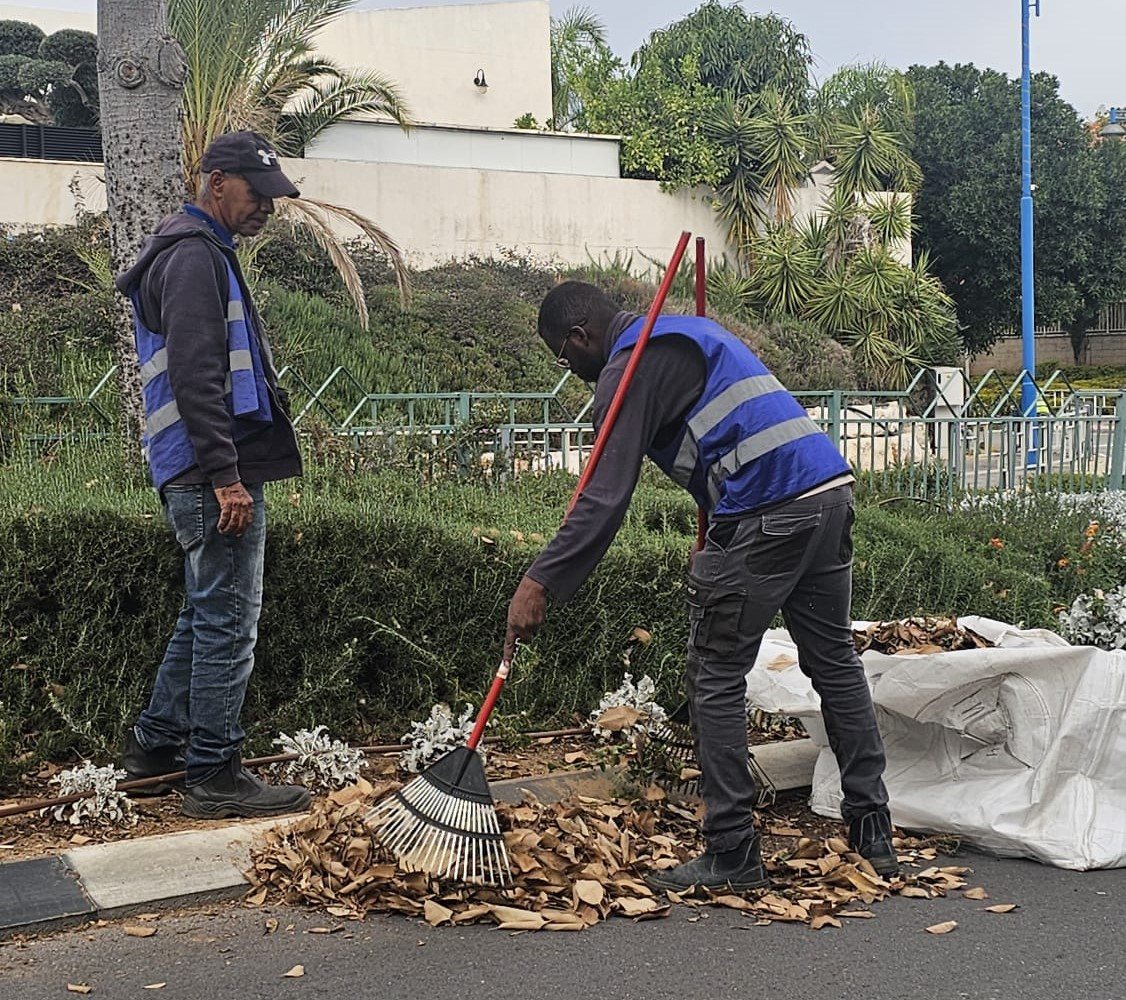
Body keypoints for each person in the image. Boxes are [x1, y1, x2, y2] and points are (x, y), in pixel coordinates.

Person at [504, 281, 898, 892]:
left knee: (714, 673)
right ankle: (874, 832)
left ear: (580, 337)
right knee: (834, 662)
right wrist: (713, 523)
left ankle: (732, 849)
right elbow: (734, 432)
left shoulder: (630, 366)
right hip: (828, 493)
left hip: (768, 511)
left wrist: (540, 581)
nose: (571, 371)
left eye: (563, 358)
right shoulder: (690, 331)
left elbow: (604, 496)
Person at [114, 131, 310, 819]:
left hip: (195, 465)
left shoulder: (194, 251)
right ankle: (214, 775)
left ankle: (154, 747)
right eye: (259, 193)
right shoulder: (195, 257)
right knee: (229, 622)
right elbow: (198, 375)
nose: (267, 208)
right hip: (210, 470)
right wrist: (228, 476)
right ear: (218, 182)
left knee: (205, 613)